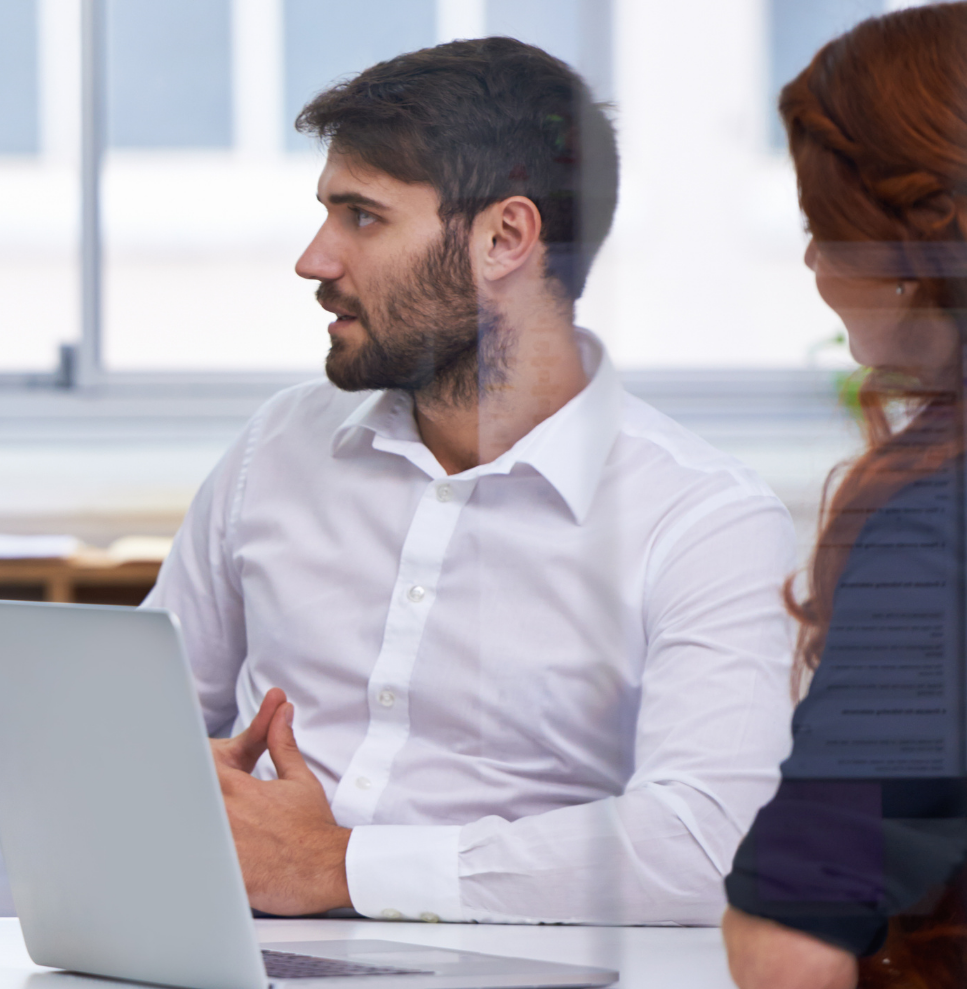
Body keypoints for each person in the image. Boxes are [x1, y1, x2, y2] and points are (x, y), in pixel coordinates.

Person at [145, 36, 800, 926]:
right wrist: (166, 779)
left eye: (361, 217)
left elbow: (705, 844)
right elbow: (141, 723)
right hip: (232, 955)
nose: (314, 259)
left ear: (504, 238)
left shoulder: (703, 522)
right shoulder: (279, 445)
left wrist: (339, 866)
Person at [722, 5, 967, 988]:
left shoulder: (935, 529)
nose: (815, 264)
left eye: (824, 229)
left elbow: (792, 935)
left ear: (908, 262)